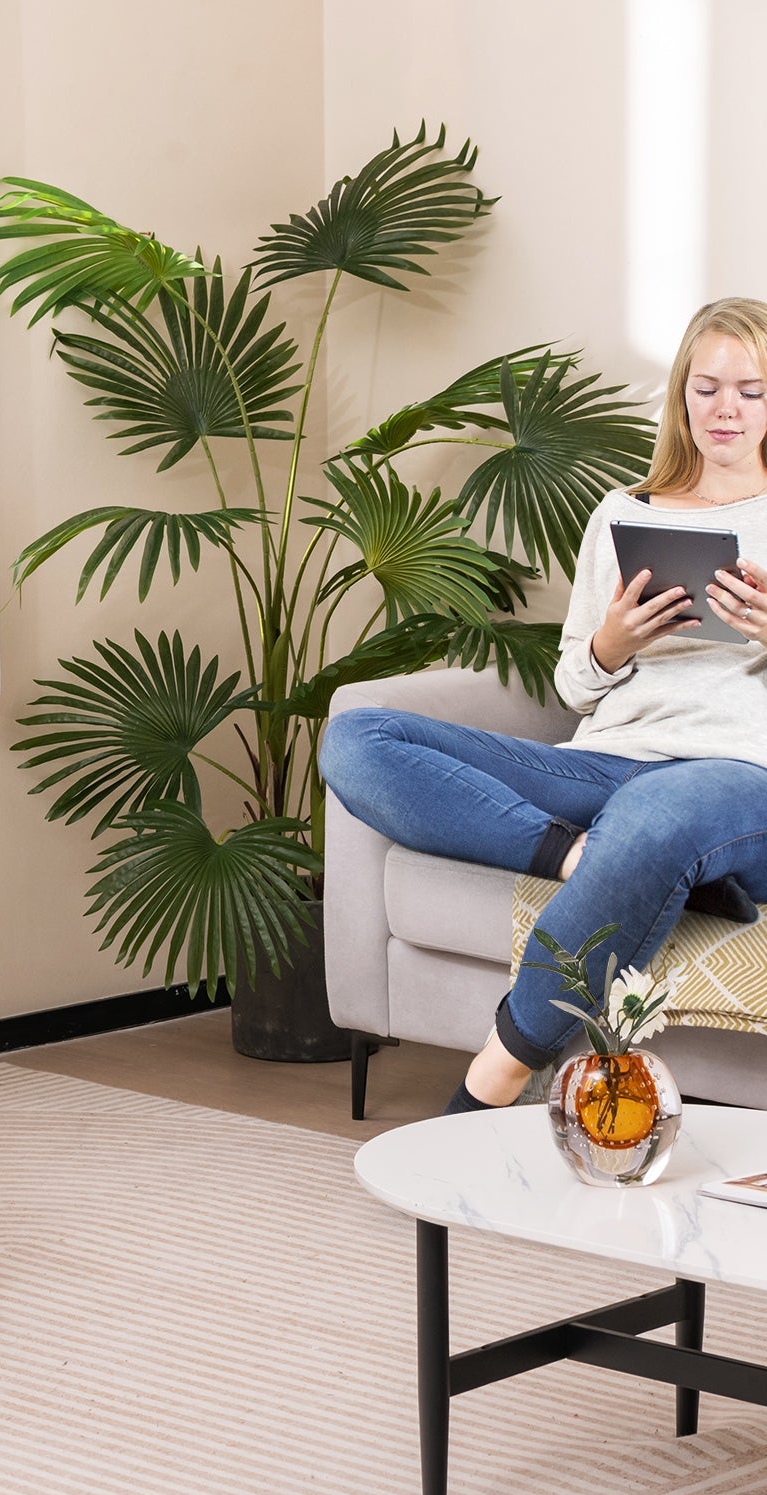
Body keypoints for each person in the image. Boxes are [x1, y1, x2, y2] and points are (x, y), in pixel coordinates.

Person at [319, 297, 767, 1113]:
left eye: (751, 390)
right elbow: (574, 686)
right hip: (607, 762)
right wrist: (613, 644)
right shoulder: (624, 512)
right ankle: (585, 858)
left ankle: (496, 1074)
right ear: (681, 396)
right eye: (706, 388)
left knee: (662, 811)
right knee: (356, 737)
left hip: (740, 777)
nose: (725, 409)